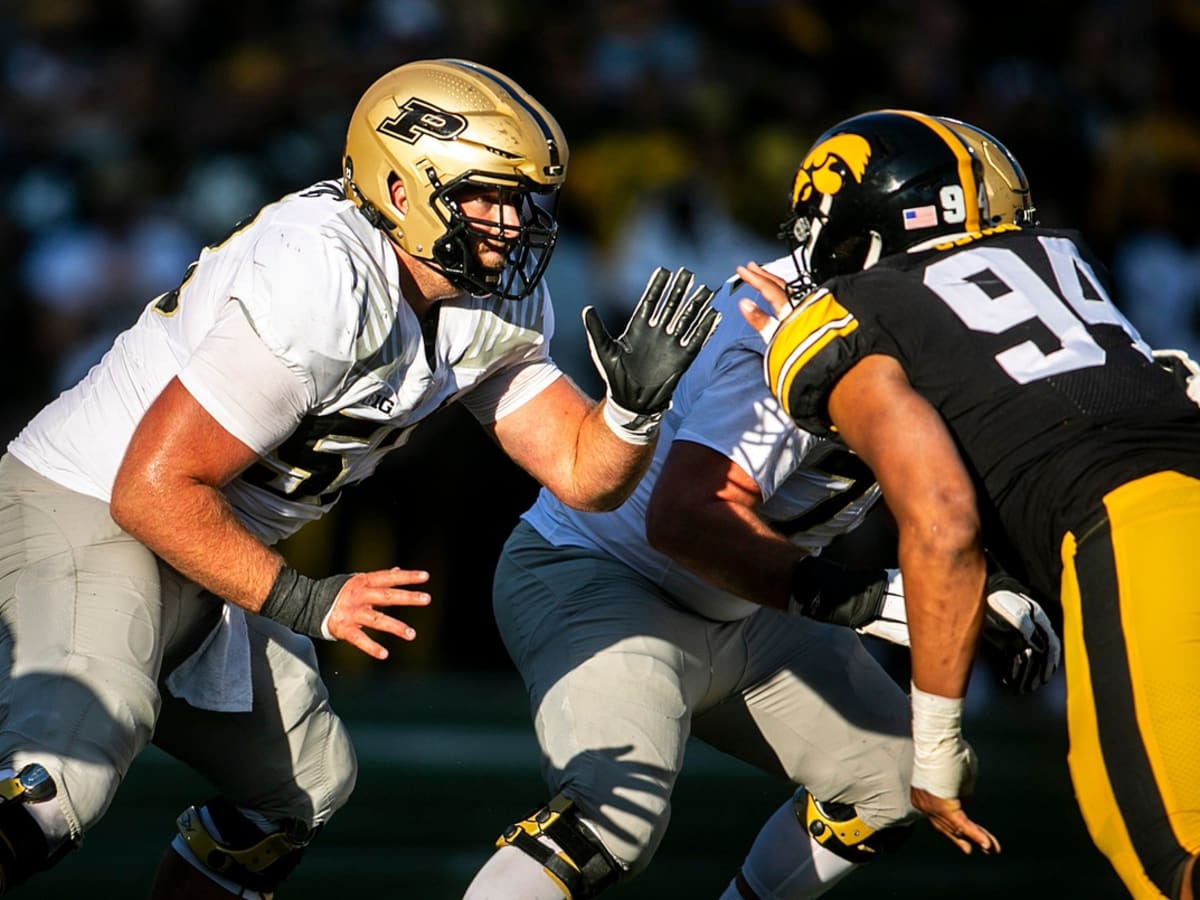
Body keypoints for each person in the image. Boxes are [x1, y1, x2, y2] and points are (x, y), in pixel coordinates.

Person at [0, 58, 720, 897]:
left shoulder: (488, 295)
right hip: (88, 502)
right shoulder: (323, 274)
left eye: (519, 197)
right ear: (404, 189)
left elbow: (579, 472)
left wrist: (630, 413)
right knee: (64, 776)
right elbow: (151, 488)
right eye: (484, 195)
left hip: (200, 540)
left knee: (300, 786)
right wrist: (311, 602)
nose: (509, 221)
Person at [461, 126, 1060, 899]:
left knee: (889, 782)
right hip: (607, 578)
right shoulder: (780, 330)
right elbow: (684, 519)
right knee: (614, 820)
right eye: (966, 246)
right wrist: (879, 603)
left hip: (745, 605)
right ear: (873, 246)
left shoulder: (899, 322)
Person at [740, 109, 1200, 899]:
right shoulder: (1060, 261)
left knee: (1172, 862)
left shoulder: (843, 318)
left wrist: (934, 748)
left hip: (1138, 535)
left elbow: (943, 520)